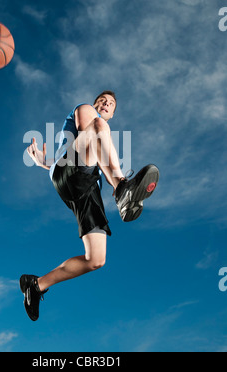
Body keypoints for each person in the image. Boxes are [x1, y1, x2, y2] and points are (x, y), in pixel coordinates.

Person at [20, 91, 159, 321]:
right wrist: (118, 182)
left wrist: (42, 162)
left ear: (113, 112)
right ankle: (123, 189)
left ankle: (36, 285)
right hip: (74, 174)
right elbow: (90, 132)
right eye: (103, 100)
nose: (106, 103)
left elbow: (67, 162)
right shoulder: (86, 110)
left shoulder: (96, 137)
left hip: (85, 188)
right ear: (95, 103)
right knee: (98, 127)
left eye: (111, 103)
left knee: (96, 259)